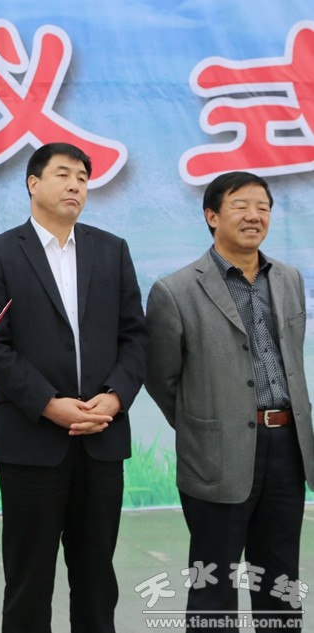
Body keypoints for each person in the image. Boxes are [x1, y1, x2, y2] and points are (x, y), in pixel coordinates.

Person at [0, 142, 148, 633]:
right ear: (33, 183)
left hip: (102, 437)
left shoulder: (111, 250)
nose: (75, 185)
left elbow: (135, 335)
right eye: (64, 174)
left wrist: (115, 397)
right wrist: (49, 404)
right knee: (28, 580)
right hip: (32, 442)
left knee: (97, 578)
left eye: (83, 178)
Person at [145, 171, 314, 632]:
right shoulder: (175, 290)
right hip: (217, 453)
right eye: (240, 205)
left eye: (263, 207)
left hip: (287, 447)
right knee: (214, 582)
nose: (254, 215)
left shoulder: (289, 279)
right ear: (212, 216)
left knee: (280, 579)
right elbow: (162, 378)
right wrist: (210, 424)